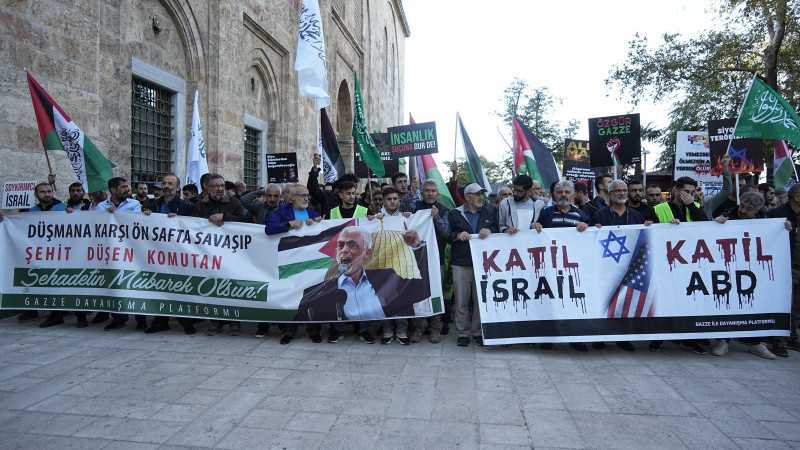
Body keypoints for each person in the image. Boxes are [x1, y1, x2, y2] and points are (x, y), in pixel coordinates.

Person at [294, 226, 430, 323]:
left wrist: (417, 246)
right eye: (341, 245)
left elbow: (422, 289)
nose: (345, 250)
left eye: (352, 245)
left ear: (367, 253)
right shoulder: (316, 292)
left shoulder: (386, 277)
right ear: (336, 252)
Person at [713, 191, 779, 358]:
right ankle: (723, 340)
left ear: (757, 210)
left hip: (755, 270)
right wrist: (717, 223)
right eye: (742, 205)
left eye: (749, 208)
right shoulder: (729, 215)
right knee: (727, 303)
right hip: (729, 268)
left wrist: (784, 229)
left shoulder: (766, 220)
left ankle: (757, 343)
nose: (742, 210)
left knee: (756, 304)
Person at [650, 176, 709, 354]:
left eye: (692, 193)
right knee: (664, 300)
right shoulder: (659, 209)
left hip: (691, 262)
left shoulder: (697, 207)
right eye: (686, 192)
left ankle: (688, 339)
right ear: (676, 191)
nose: (690, 196)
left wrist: (691, 206)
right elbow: (650, 232)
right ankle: (658, 338)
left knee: (689, 301)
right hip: (666, 262)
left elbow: (705, 228)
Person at [592, 180, 651, 352]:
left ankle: (622, 338)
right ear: (610, 194)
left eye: (624, 190)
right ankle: (600, 336)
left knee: (624, 302)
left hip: (628, 268)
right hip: (605, 268)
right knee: (603, 301)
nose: (622, 194)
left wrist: (648, 229)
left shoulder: (636, 216)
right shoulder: (600, 215)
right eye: (618, 191)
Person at [533, 180, 592, 352]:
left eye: (567, 192)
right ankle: (548, 337)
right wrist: (535, 226)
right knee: (551, 302)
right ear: (554, 194)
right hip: (551, 266)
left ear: (573, 195)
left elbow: (593, 236)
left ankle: (575, 338)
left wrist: (587, 227)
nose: (564, 195)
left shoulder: (582, 215)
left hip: (574, 268)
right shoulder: (546, 213)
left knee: (572, 303)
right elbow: (536, 234)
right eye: (560, 192)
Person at [266, 185, 324, 344]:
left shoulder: (313, 213)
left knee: (313, 295)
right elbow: (269, 228)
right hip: (289, 261)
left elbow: (324, 232)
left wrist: (320, 223)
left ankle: (314, 330)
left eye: (307, 195)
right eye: (302, 195)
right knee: (289, 295)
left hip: (310, 261)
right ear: (292, 197)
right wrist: (288, 225)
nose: (306, 198)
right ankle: (288, 331)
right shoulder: (282, 212)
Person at [192, 173, 247, 336]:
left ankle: (234, 323)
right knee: (213, 287)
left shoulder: (234, 202)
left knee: (231, 287)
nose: (220, 189)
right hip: (209, 254)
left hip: (231, 254)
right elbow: (191, 225)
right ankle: (215, 322)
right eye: (216, 186)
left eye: (222, 186)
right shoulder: (200, 205)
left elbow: (245, 220)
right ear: (207, 188)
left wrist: (226, 217)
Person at [145, 174, 198, 334]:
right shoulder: (154, 205)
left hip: (179, 254)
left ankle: (186, 322)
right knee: (159, 287)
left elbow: (194, 226)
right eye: (164, 183)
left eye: (170, 183)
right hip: (158, 253)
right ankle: (160, 321)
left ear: (178, 188)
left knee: (180, 288)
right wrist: (146, 216)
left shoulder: (186, 206)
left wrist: (179, 220)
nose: (166, 186)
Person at [448, 183, 498, 346]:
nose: (480, 197)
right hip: (461, 263)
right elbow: (447, 234)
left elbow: (497, 228)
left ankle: (477, 332)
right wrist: (458, 235)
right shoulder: (455, 214)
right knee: (461, 301)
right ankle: (463, 333)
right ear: (467, 197)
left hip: (484, 263)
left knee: (479, 300)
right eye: (477, 194)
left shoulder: (489, 211)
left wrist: (490, 229)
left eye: (481, 194)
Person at [24, 182, 78, 327]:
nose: (46, 194)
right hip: (42, 254)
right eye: (42, 192)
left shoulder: (62, 208)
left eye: (49, 191)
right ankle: (54, 314)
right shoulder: (32, 211)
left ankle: (67, 315)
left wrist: (73, 215)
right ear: (36, 195)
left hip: (61, 253)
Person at [95, 177, 146, 331]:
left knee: (136, 283)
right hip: (111, 250)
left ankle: (141, 319)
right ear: (113, 190)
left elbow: (134, 222)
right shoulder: (101, 206)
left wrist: (116, 215)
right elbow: (96, 223)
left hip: (131, 250)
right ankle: (118, 318)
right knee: (115, 282)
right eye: (123, 187)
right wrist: (106, 214)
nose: (127, 190)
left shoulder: (135, 204)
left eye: (127, 187)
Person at [408, 179, 451, 343]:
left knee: (435, 294)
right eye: (427, 190)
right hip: (416, 260)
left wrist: (437, 218)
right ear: (422, 192)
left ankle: (435, 329)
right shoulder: (414, 208)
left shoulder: (444, 210)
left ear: (437, 194)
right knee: (417, 295)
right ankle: (417, 329)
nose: (430, 193)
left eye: (433, 191)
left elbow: (447, 233)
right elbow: (404, 224)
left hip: (436, 259)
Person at [768, 183, 800, 354]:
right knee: (783, 305)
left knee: (796, 308)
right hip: (785, 267)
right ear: (797, 197)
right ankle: (778, 342)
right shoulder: (778, 215)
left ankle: (792, 338)